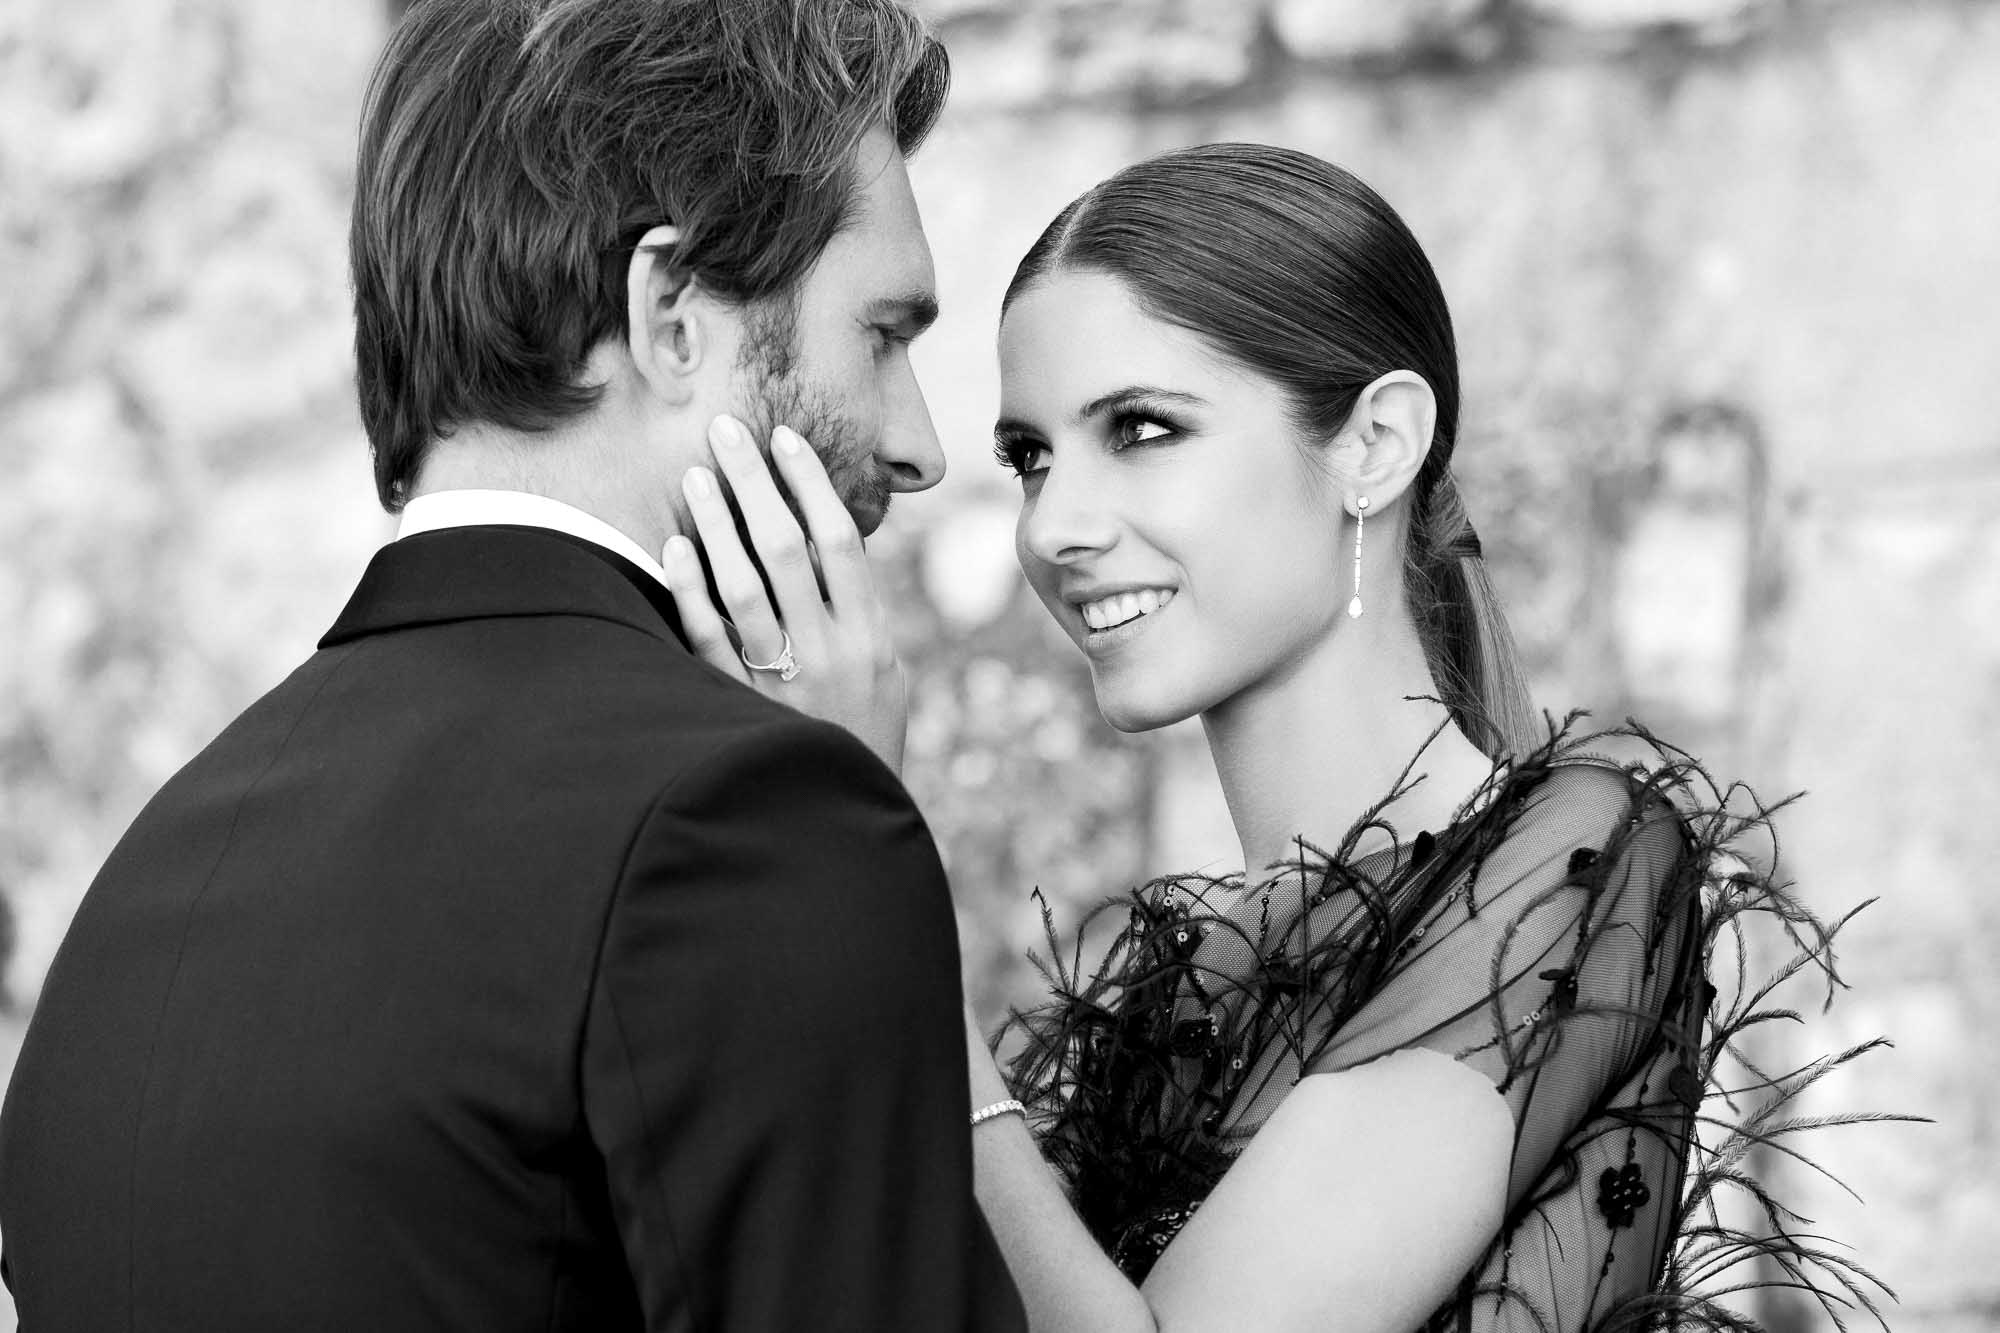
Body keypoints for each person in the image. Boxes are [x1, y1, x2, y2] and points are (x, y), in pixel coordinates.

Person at [664, 144, 1891, 1332]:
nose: (1054, 527)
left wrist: (863, 864)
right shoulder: (1183, 974)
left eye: (1140, 428)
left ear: (1373, 445)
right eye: (1031, 458)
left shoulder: (1573, 864)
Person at [0, 2, 1025, 1330]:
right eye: (883, 335)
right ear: (667, 314)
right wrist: (852, 821)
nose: (920, 443)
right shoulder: (754, 821)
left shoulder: (145, 885)